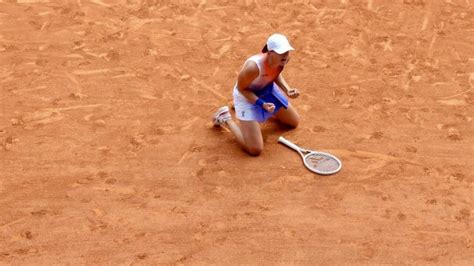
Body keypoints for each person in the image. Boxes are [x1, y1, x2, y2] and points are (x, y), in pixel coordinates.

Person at [212, 33, 300, 156]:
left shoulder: (283, 60)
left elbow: (275, 73)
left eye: (287, 51)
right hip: (246, 96)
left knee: (293, 122)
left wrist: (287, 89)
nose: (285, 55)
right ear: (270, 53)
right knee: (255, 149)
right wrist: (261, 104)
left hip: (266, 89)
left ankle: (256, 114)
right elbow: (241, 89)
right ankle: (225, 118)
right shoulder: (253, 67)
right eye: (281, 52)